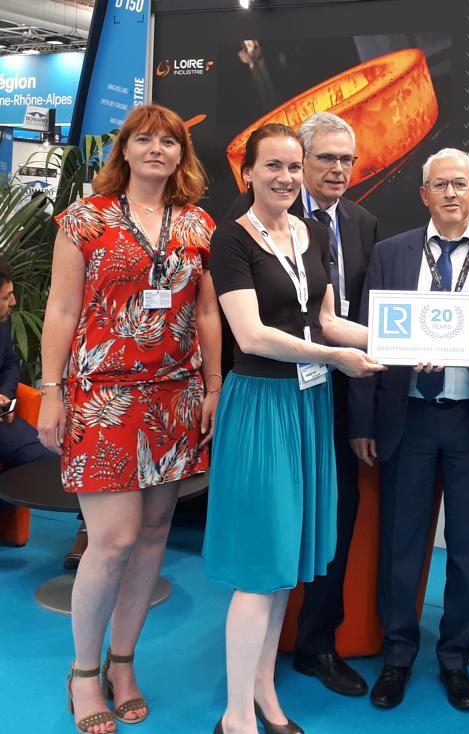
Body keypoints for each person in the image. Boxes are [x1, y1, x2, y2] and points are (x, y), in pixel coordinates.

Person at [37, 103, 222, 734]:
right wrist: (52, 390)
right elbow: (62, 308)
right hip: (102, 395)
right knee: (112, 539)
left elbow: (205, 314)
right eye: (143, 139)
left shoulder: (197, 223)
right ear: (125, 150)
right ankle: (84, 672)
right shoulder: (84, 219)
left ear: (181, 155)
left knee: (152, 535)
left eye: (169, 142)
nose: (156, 149)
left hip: (174, 397)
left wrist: (212, 386)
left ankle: (123, 663)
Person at [205, 123, 383, 734]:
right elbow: (251, 335)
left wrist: (402, 343)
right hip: (261, 406)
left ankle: (262, 690)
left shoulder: (309, 233)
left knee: (285, 564)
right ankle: (235, 717)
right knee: (261, 568)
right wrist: (335, 359)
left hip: (308, 406)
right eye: (272, 167)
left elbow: (326, 320)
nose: (285, 178)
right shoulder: (231, 238)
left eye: (292, 166)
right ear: (248, 173)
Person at [349, 148, 469, 711]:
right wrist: (363, 419)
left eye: (461, 184)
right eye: (440, 184)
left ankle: (455, 658)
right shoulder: (391, 252)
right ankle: (398, 655)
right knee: (402, 544)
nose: (451, 193)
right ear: (424, 194)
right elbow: (367, 336)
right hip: (406, 417)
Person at [0, 261, 57, 491]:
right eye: (6, 297)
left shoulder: (3, 322)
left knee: (49, 459)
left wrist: (4, 395)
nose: (13, 302)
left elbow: (10, 363)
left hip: (3, 423)